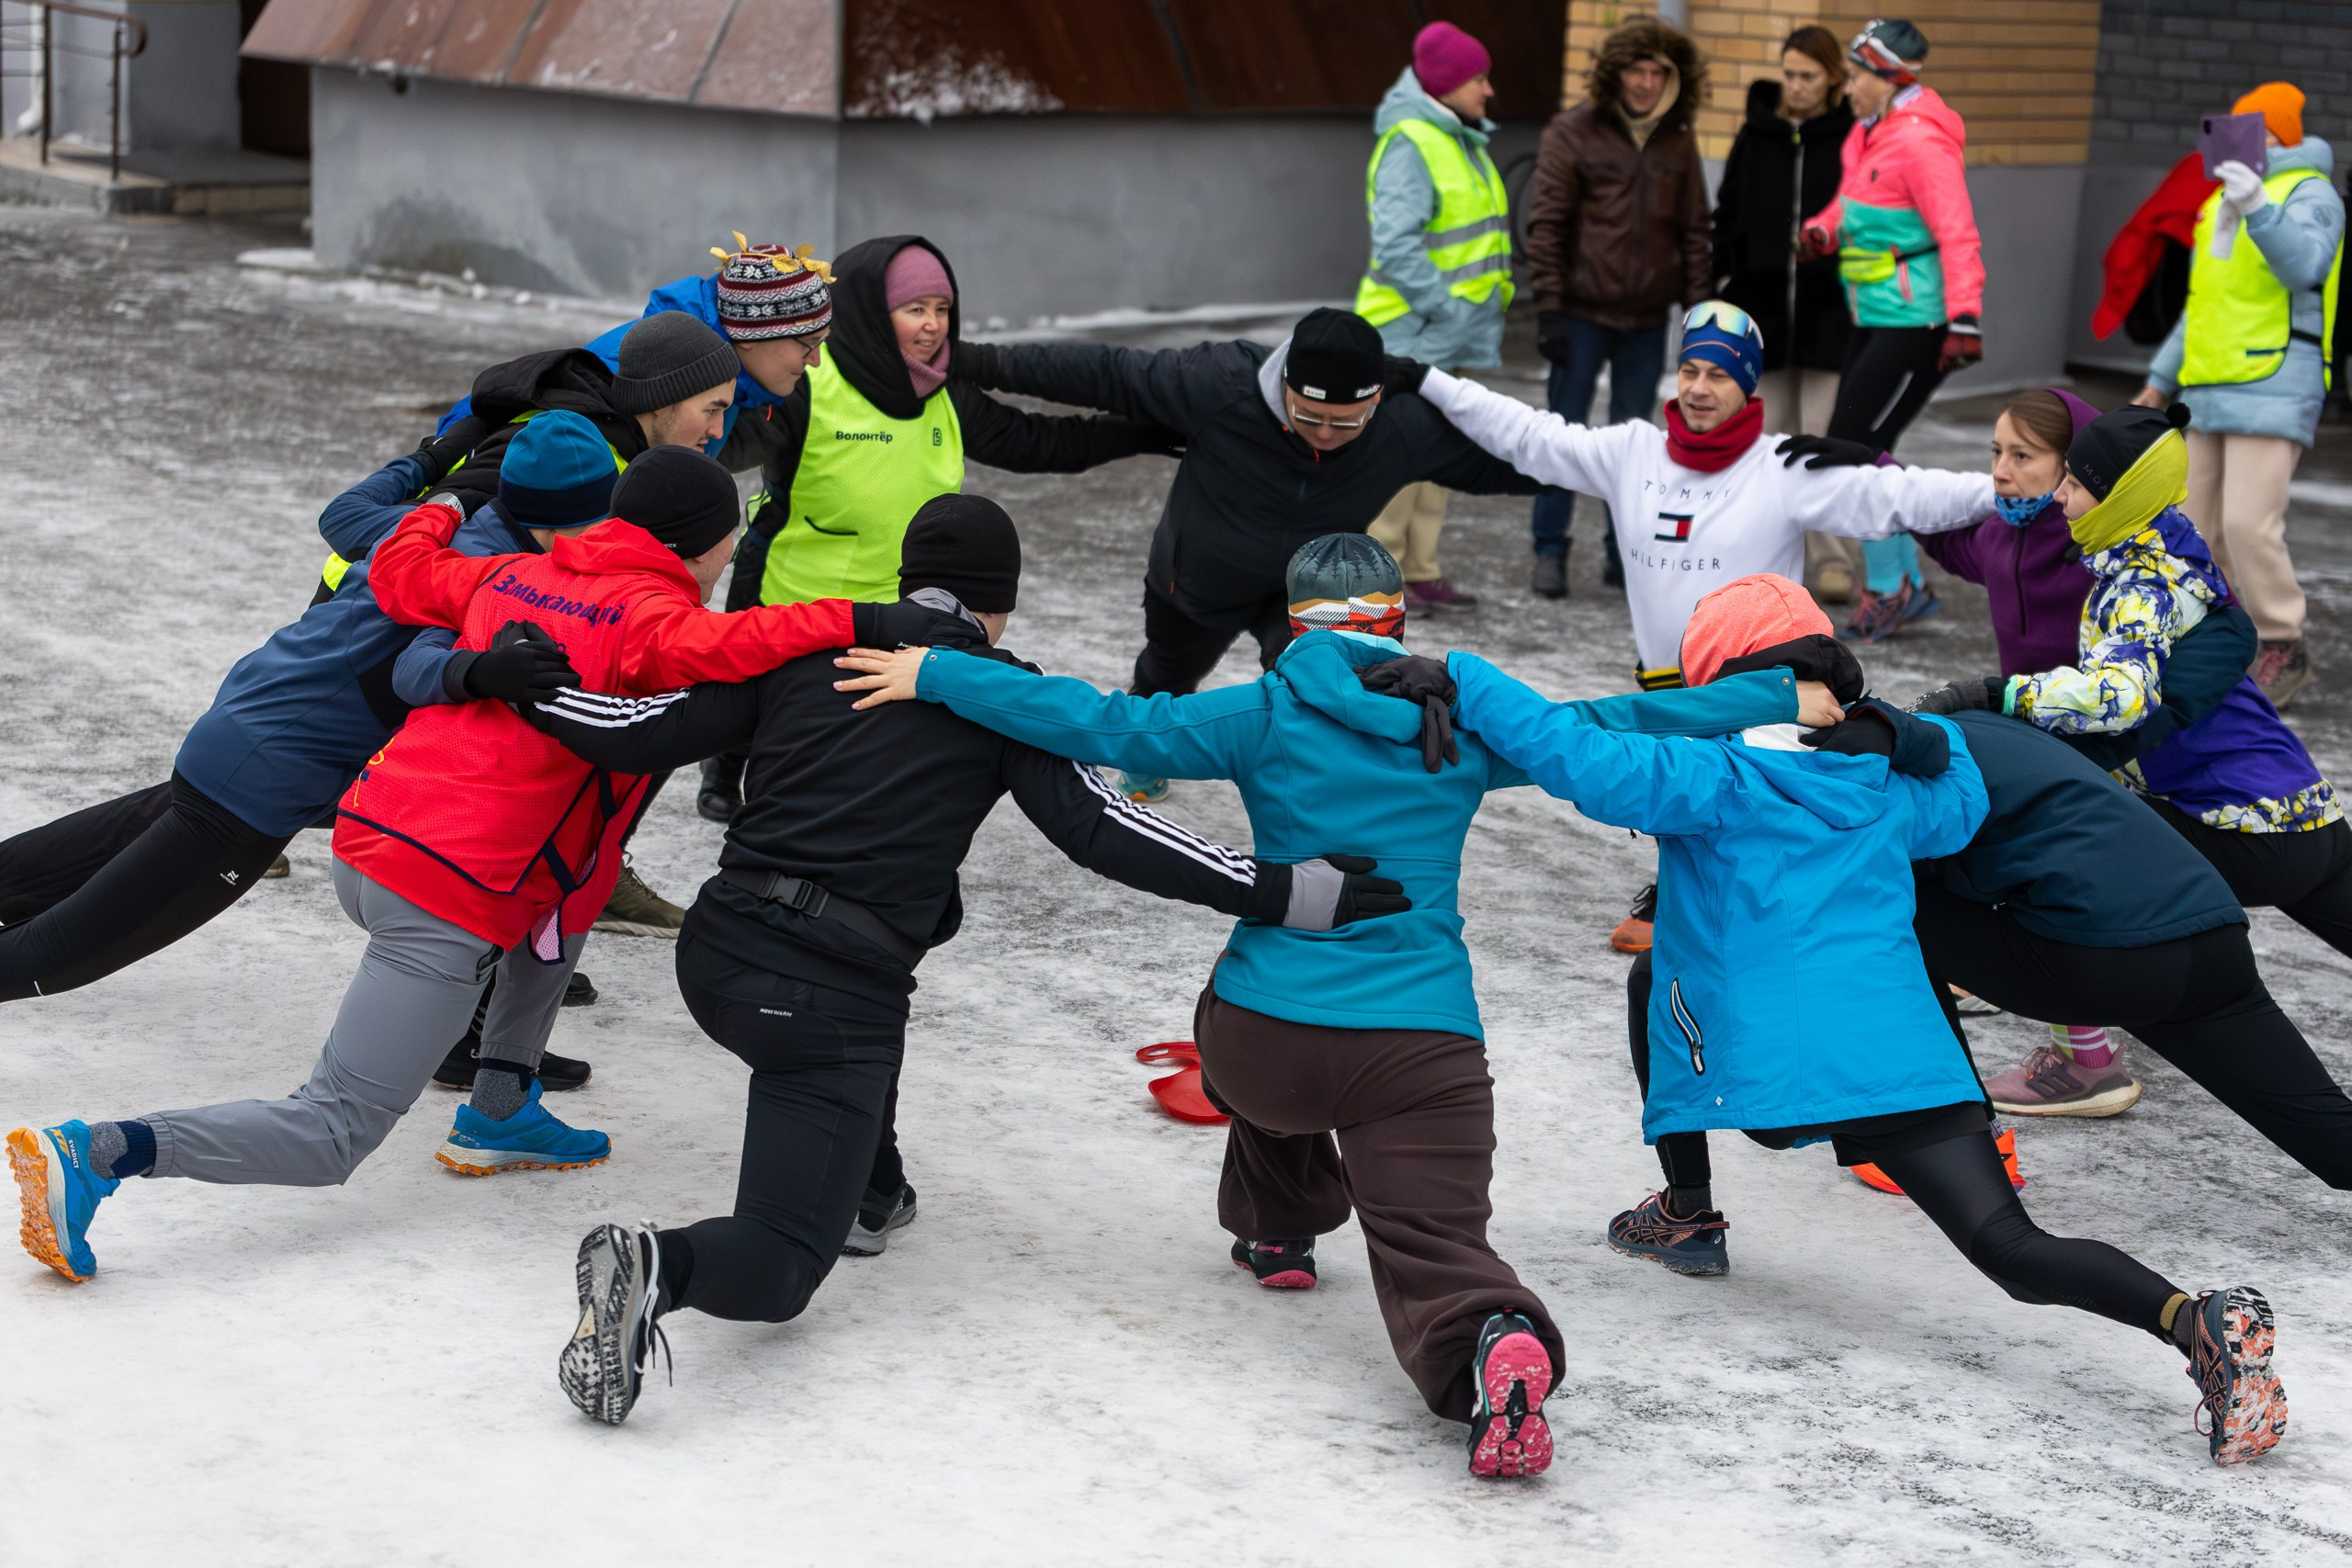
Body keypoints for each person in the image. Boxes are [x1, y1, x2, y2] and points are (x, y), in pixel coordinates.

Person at [833, 534, 1826, 1478]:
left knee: (1247, 1036)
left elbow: (1102, 721)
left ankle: (1277, 1233)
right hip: (1423, 1047)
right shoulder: (1462, 725)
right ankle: (1493, 1337)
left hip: (1268, 1041)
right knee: (1437, 1241)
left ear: (1297, 628)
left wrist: (936, 673)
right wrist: (1784, 690)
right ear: (1394, 625)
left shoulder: (1263, 711)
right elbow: (1612, 720)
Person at [515, 499, 1411, 1427]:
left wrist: (510, 675)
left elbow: (637, 730)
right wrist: (1289, 890)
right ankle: (662, 1265)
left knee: (883, 985)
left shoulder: (816, 647)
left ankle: (873, 1185)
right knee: (782, 1262)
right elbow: (1106, 832)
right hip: (823, 1000)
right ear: (1000, 605)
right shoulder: (997, 692)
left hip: (716, 951)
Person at [1439, 572, 2290, 1468]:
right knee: (2010, 1246)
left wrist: (1460, 672)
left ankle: (1687, 1212)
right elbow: (1958, 804)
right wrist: (1919, 735)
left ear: (1717, 681)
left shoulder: (1713, 774)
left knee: (1657, 980)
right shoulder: (1885, 780)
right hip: (1901, 1058)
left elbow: (1568, 752)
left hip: (1770, 1074)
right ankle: (2193, 1321)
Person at [6, 449, 889, 1285]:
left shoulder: (516, 574)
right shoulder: (660, 623)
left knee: (563, 894)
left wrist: (444, 503)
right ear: (703, 544)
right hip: (437, 886)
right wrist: (889, 623)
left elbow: (399, 571)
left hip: (375, 834)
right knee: (332, 1129)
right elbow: (767, 637)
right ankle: (95, 1153)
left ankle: (502, 1105)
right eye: (730, 536)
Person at [0, 335, 725, 1010]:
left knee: (92, 859)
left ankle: (470, 1014)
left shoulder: (445, 528)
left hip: (249, 724)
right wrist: (480, 671)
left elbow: (349, 512)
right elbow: (416, 668)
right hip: (265, 778)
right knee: (55, 955)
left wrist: (437, 458)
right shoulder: (492, 575)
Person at [1403, 299, 1991, 951]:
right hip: (1668, 683)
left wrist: (2011, 487)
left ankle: (1769, 900)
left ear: (1748, 383)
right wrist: (1425, 379)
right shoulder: (1631, 452)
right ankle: (1684, 888)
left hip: (1767, 698)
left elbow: (1909, 499)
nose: (1699, 388)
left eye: (1718, 374)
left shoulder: (1782, 467)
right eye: (1690, 370)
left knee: (1756, 801)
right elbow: (1528, 435)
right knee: (1676, 786)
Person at [956, 307, 1547, 804]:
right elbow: (1103, 373)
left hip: (1309, 592)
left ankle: (1315, 790)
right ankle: (1145, 751)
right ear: (1283, 382)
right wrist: (979, 362)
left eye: (1348, 423)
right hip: (1198, 581)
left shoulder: (1402, 428)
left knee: (1319, 687)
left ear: (1379, 401)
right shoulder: (1218, 383)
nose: (1324, 434)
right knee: (1167, 676)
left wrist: (1606, 474)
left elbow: (1511, 460)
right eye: (1308, 415)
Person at [695, 234, 1177, 822]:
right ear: (874, 312)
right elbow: (718, 448)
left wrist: (1143, 431)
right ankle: (723, 769)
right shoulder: (812, 383)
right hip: (788, 590)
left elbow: (1037, 441)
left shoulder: (940, 392)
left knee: (856, 722)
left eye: (942, 310)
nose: (932, 326)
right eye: (914, 309)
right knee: (750, 700)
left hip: (895, 603)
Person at [1913, 403, 2352, 966]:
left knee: (2043, 849)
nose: (2059, 497)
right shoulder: (2170, 546)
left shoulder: (2141, 585)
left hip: (2245, 824)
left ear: (2120, 494)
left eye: (2074, 483)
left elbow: (2123, 695)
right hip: (2305, 813)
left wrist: (1997, 694)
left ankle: (2086, 1049)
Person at [2132, 83, 2343, 707]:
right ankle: (2217, 641)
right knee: (2193, 528)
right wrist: (2158, 381)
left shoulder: (2310, 192)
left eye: (2249, 129)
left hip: (2276, 382)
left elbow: (2305, 266)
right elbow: (2205, 307)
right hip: (2209, 384)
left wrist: (2257, 205)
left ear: (2275, 132)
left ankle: (2282, 641)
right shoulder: (2220, 199)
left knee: (2250, 524)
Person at [1799, 18, 1985, 641]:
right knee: (1868, 447)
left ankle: (1891, 586)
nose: (1847, 87)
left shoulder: (1923, 143)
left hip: (1920, 320)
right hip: (1873, 313)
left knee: (1853, 447)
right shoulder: (1869, 133)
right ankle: (1908, 585)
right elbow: (1851, 204)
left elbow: (1957, 230)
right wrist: (1824, 228)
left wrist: (1965, 317)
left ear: (1890, 77)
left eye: (1855, 76)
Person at [1523, 15, 1712, 597]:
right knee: (1563, 438)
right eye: (1637, 68)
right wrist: (1549, 309)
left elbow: (1694, 232)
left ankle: (1622, 553)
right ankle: (1549, 551)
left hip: (1645, 322)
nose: (1647, 82)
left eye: (1659, 71)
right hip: (1580, 315)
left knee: (1635, 446)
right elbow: (1547, 223)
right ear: (1616, 72)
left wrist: (1701, 321)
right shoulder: (1573, 131)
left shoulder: (1678, 137)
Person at [1356, 20, 1512, 616]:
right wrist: (1447, 309)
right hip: (1410, 331)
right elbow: (1395, 246)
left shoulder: (1457, 136)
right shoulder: (1412, 141)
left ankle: (1419, 571)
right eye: (1479, 78)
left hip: (1442, 337)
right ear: (1447, 84)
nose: (1489, 90)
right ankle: (1379, 581)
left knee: (1434, 459)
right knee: (1397, 462)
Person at [1710, 26, 1858, 600]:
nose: (1796, 87)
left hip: (1827, 318)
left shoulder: (1850, 137)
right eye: (1790, 73)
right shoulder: (1757, 132)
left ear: (1832, 80)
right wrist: (1723, 282)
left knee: (1821, 441)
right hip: (1761, 314)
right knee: (1763, 441)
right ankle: (1762, 555)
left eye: (1809, 77)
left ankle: (1832, 559)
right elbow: (1728, 214)